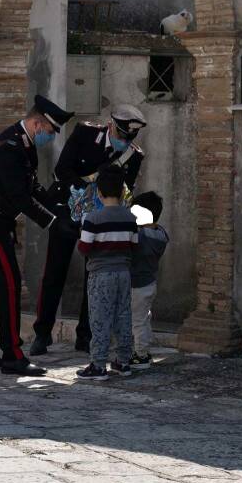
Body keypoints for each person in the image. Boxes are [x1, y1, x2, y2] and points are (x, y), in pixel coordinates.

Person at [0, 94, 75, 376]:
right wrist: (52, 223)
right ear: (38, 124)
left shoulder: (24, 145)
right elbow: (20, 197)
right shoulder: (10, 147)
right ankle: (12, 354)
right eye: (49, 132)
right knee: (10, 284)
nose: (49, 138)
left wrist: (59, 211)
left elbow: (34, 187)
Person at [31, 103, 147, 356]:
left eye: (128, 139)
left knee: (93, 278)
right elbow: (62, 170)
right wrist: (85, 195)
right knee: (54, 272)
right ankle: (42, 334)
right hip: (67, 211)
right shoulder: (84, 134)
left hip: (99, 219)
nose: (123, 142)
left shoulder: (134, 155)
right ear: (110, 126)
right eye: (120, 136)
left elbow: (125, 192)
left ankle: (86, 335)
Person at [75, 166, 138, 381]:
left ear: (99, 193)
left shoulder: (92, 218)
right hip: (123, 273)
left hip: (100, 275)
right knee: (123, 316)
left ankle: (98, 364)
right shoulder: (130, 218)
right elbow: (134, 245)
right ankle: (123, 361)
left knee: (100, 318)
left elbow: (84, 248)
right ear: (122, 192)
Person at [128, 191, 169, 370]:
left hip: (137, 284)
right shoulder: (160, 234)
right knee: (144, 318)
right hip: (150, 282)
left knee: (137, 321)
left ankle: (141, 355)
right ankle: (144, 350)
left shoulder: (141, 237)